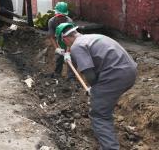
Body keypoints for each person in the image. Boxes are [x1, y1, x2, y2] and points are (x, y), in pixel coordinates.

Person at [55, 22, 137, 150]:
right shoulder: (93, 37)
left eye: (65, 43)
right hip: (130, 71)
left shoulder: (77, 46)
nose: (67, 47)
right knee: (103, 104)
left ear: (65, 39)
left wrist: (93, 90)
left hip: (114, 75)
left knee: (99, 115)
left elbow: (91, 76)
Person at [47, 2, 74, 80]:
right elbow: (52, 37)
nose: (61, 17)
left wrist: (68, 52)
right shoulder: (51, 21)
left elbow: (70, 38)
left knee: (70, 58)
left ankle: (71, 76)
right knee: (59, 56)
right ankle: (57, 73)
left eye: (63, 16)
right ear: (56, 14)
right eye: (59, 15)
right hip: (59, 38)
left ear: (66, 15)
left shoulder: (69, 22)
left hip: (69, 39)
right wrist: (57, 49)